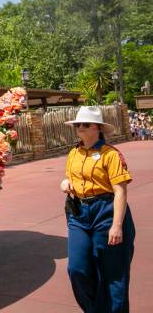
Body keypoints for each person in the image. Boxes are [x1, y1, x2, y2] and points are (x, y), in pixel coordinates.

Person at [60, 106, 135, 313]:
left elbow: (120, 191)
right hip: (79, 213)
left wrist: (117, 225)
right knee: (77, 269)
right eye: (77, 125)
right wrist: (65, 183)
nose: (80, 128)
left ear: (98, 128)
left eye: (85, 124)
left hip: (106, 211)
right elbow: (69, 177)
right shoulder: (74, 152)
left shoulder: (111, 154)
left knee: (113, 274)